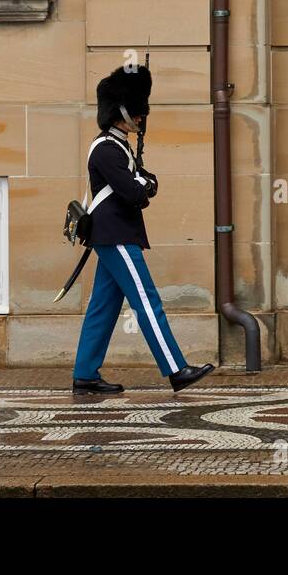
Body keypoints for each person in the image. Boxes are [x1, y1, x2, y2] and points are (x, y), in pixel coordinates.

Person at [71, 64, 214, 395]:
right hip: (117, 235)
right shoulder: (107, 148)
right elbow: (135, 191)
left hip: (113, 235)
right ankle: (176, 369)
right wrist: (143, 184)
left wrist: (143, 182)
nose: (140, 118)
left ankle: (85, 374)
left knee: (103, 307)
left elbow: (147, 182)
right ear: (121, 112)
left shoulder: (118, 147)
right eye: (135, 112)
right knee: (148, 302)